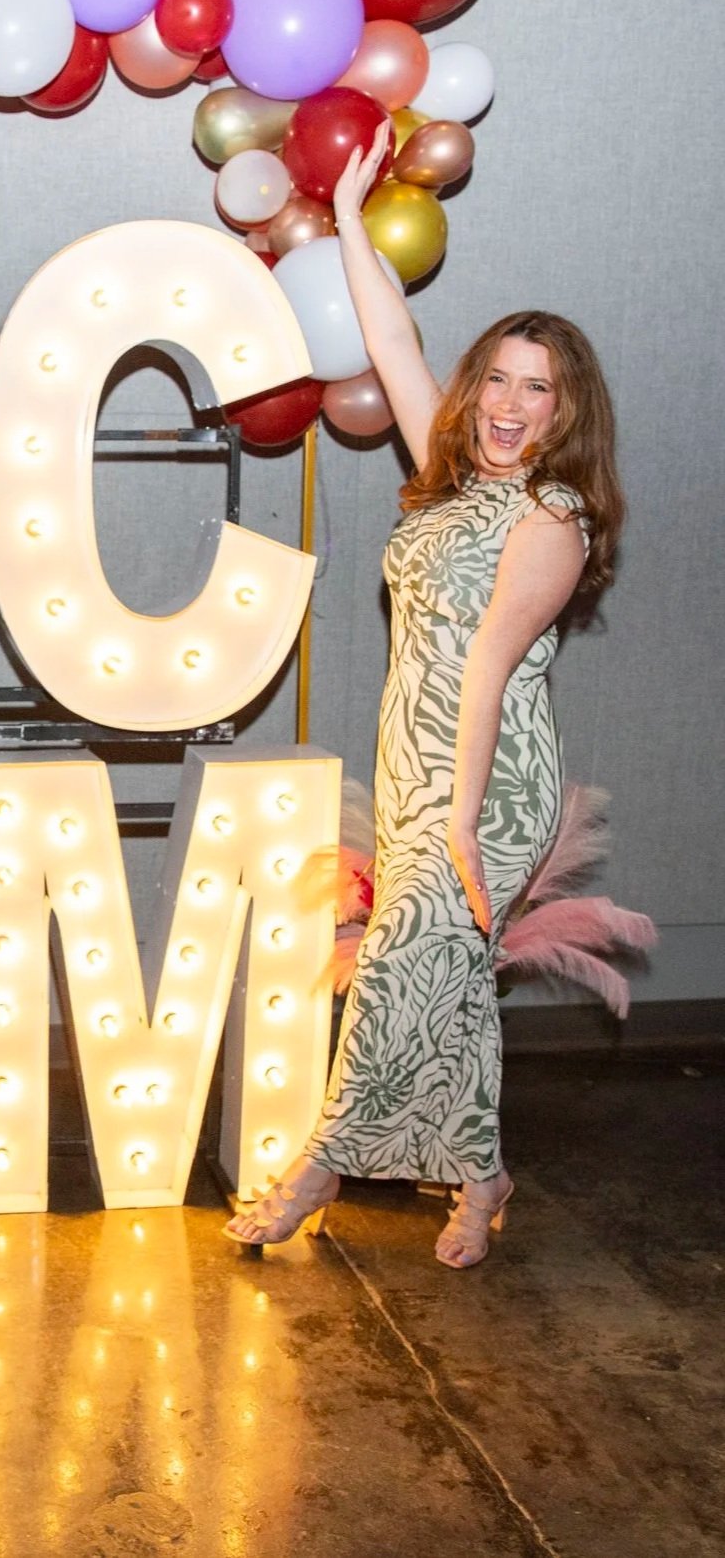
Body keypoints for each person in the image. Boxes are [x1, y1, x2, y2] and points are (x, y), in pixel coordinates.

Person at [224, 120, 624, 1268]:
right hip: (415, 767)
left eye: (534, 390)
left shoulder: (552, 517)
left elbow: (490, 664)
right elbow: (393, 341)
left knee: (404, 956)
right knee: (443, 983)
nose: (506, 403)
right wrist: (351, 222)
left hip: (486, 786)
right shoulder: (448, 485)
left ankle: (319, 1166)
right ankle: (484, 1175)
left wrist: (456, 815)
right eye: (496, 378)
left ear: (563, 412)